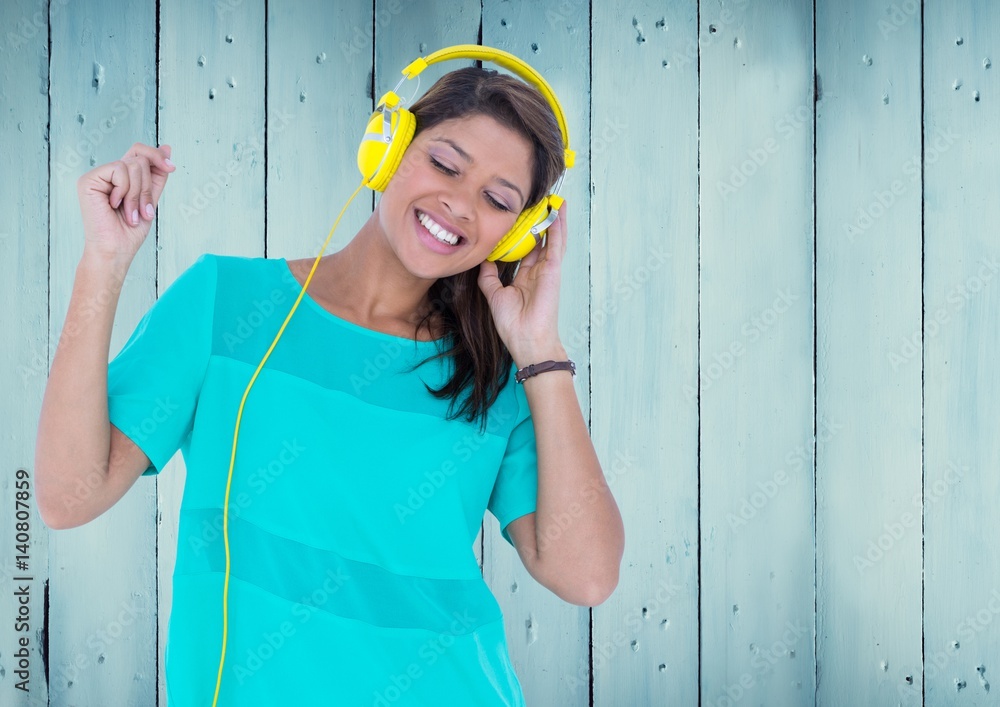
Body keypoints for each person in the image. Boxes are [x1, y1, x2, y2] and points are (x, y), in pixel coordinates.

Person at [35, 65, 624, 705]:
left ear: (516, 229)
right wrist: (104, 260)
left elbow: (587, 576)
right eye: (446, 165)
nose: (460, 203)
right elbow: (69, 497)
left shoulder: (496, 373)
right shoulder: (224, 304)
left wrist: (541, 351)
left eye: (499, 200)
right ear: (388, 147)